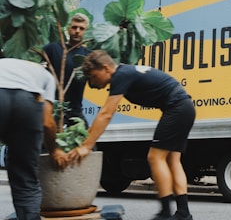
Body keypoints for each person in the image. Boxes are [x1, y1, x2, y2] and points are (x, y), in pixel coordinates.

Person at [68, 50, 195, 220]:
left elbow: (106, 113)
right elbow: (103, 116)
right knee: (172, 160)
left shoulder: (120, 75)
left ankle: (165, 213)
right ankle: (183, 213)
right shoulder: (125, 72)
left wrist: (87, 147)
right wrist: (85, 140)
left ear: (105, 68)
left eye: (92, 76)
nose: (92, 82)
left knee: (154, 157)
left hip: (177, 107)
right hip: (183, 107)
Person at [0, 57, 69, 220]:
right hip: (27, 106)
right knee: (26, 178)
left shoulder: (4, 64)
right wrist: (54, 151)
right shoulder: (46, 76)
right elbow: (47, 122)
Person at [43, 13, 91, 128]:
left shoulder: (88, 56)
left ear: (86, 31)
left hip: (75, 110)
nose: (77, 31)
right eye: (74, 27)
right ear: (68, 28)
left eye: (81, 28)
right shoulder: (53, 49)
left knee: (86, 143)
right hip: (53, 108)